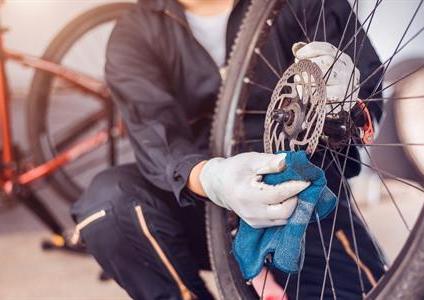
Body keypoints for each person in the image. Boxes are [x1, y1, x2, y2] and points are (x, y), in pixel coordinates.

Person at [71, 0, 385, 299]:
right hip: (202, 207)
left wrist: (347, 99)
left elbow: (367, 95)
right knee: (107, 207)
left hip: (303, 205)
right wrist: (212, 178)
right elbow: (153, 132)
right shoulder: (135, 32)